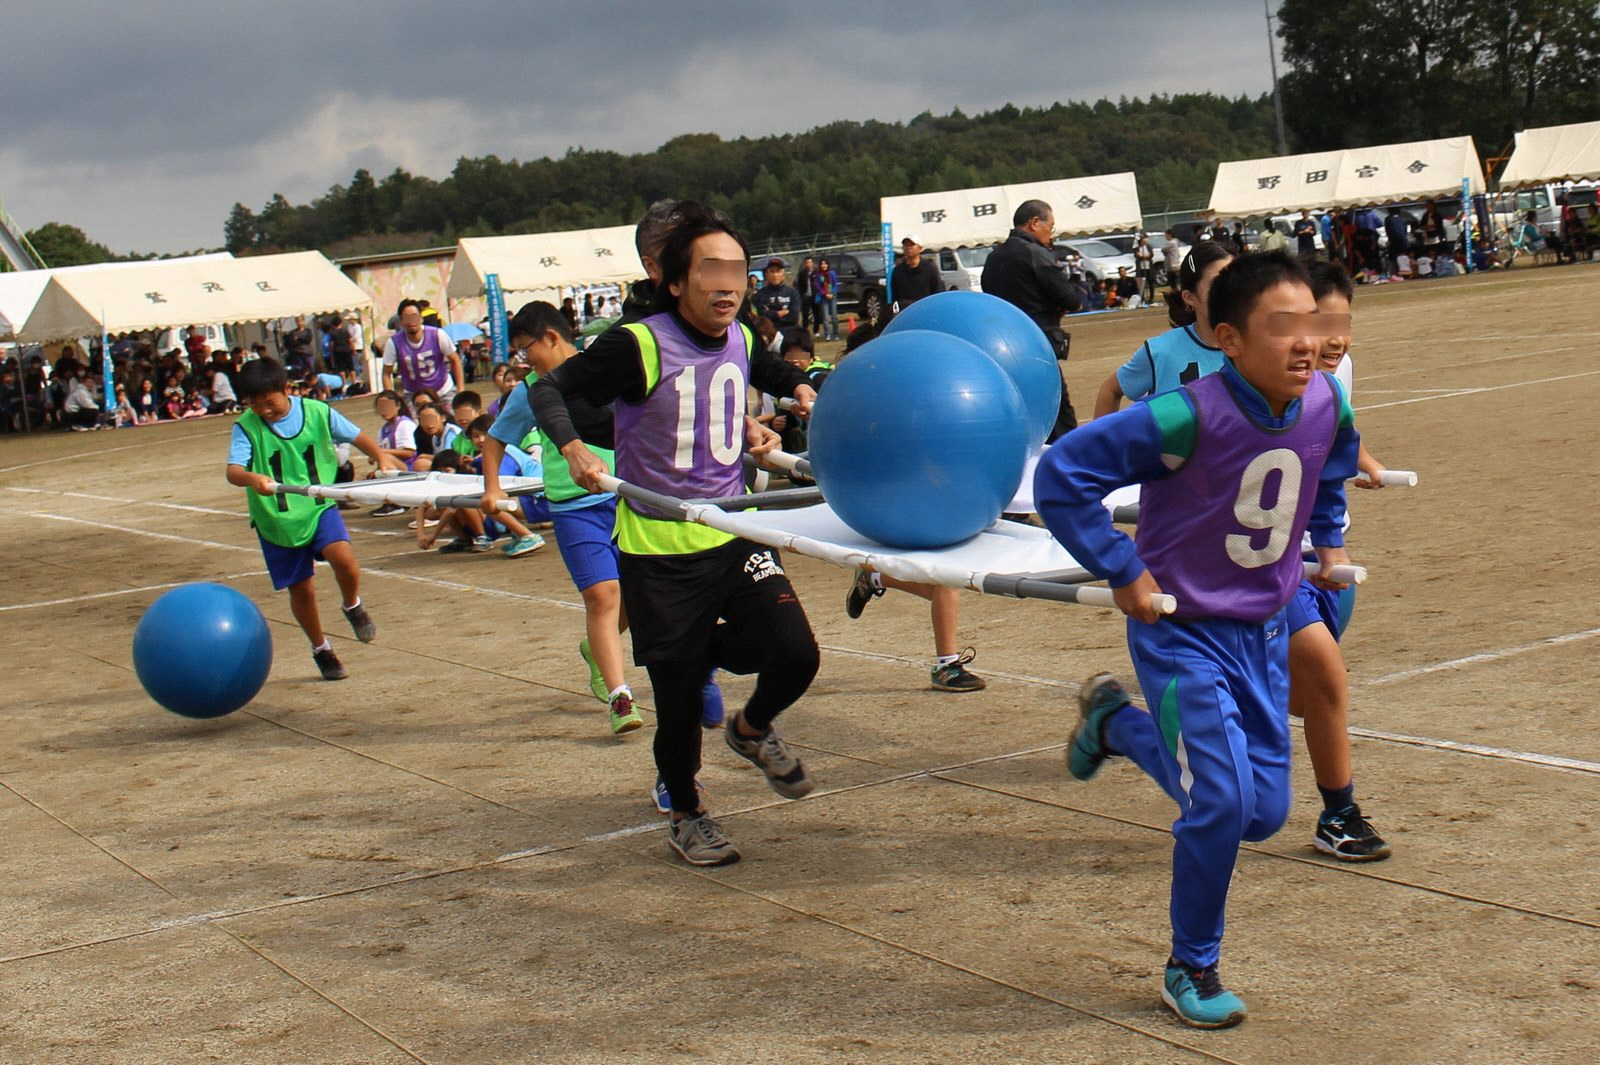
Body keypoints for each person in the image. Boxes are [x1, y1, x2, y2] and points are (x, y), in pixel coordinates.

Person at [1036, 251, 1359, 1029]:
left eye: (1312, 323)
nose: (1306, 342)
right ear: (1228, 339)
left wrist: (1329, 542)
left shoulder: (1324, 402)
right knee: (1218, 805)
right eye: (1282, 327)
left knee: (1261, 815)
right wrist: (1121, 567)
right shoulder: (1186, 413)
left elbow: (1332, 465)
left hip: (1266, 629)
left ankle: (1115, 723)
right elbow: (1063, 476)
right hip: (1182, 633)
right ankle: (1191, 964)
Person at [530, 203, 821, 867]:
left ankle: (750, 729)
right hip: (658, 548)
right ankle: (688, 813)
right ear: (672, 280)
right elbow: (552, 391)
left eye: (736, 273)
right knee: (681, 698)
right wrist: (574, 448)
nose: (726, 286)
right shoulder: (639, 341)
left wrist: (800, 388)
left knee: (794, 652)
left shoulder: (741, 335)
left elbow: (765, 369)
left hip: (731, 530)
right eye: (710, 273)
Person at [483, 300, 642, 735]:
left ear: (551, 337)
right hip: (574, 506)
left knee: (639, 595)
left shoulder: (604, 368)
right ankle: (620, 697)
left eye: (524, 348)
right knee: (603, 596)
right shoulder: (529, 390)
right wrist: (493, 488)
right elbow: (495, 441)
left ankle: (596, 648)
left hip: (628, 496)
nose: (522, 359)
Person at [1290, 261, 1392, 861]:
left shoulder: (1330, 380)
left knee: (1292, 699)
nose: (1335, 337)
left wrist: (1329, 544)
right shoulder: (1216, 393)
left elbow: (1332, 448)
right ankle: (1340, 815)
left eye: (1342, 321)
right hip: (1254, 571)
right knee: (1325, 675)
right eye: (1319, 322)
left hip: (1314, 561)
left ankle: (1119, 724)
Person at [227, 358, 402, 680]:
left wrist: (379, 455)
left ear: (286, 390)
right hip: (276, 519)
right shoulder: (245, 427)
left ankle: (352, 605)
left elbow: (354, 435)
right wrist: (252, 478)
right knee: (302, 589)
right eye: (254, 405)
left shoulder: (317, 412)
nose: (264, 411)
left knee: (344, 558)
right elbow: (233, 471)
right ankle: (321, 647)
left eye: (270, 403)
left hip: (319, 506)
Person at [981, 200, 1085, 438]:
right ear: (1035, 223)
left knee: (1022, 419)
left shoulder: (993, 257)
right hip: (1037, 345)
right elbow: (1071, 298)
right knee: (1060, 421)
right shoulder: (1035, 253)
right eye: (1051, 227)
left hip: (1003, 349)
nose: (1052, 235)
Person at [1093, 242, 1233, 418]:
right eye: (1216, 284)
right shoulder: (1160, 352)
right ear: (1190, 298)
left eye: (1234, 280)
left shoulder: (1257, 346)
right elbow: (1110, 390)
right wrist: (1102, 444)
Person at [382, 299, 464, 403]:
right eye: (406, 317)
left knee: (453, 417)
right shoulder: (394, 342)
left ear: (421, 318)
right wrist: (391, 400)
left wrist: (460, 389)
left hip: (442, 391)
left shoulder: (437, 334)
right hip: (413, 395)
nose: (411, 321)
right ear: (401, 321)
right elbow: (386, 373)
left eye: (414, 316)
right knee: (411, 419)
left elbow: (455, 360)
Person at [889, 233, 942, 310]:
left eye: (911, 245)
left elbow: (937, 292)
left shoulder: (930, 268)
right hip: (905, 313)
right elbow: (895, 297)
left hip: (925, 311)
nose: (908, 248)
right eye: (905, 245)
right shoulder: (898, 270)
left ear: (920, 248)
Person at [752, 257, 801, 330]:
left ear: (783, 275)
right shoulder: (760, 294)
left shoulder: (792, 293)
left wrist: (771, 314)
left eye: (778, 271)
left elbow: (794, 318)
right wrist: (779, 314)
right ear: (766, 275)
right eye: (772, 271)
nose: (775, 275)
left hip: (790, 331)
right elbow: (762, 316)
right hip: (769, 332)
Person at [812, 256, 840, 340]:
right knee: (825, 317)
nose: (824, 266)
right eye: (822, 264)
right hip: (824, 297)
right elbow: (817, 286)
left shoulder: (832, 273)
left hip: (832, 296)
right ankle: (827, 334)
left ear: (828, 265)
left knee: (834, 316)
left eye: (825, 264)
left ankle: (836, 334)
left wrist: (832, 293)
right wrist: (824, 293)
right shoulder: (818, 275)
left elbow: (835, 284)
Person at [796, 256, 815, 334]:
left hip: (815, 296)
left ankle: (816, 331)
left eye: (810, 262)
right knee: (805, 314)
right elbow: (799, 285)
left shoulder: (816, 272)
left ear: (812, 263)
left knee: (817, 314)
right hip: (805, 296)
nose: (808, 264)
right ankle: (805, 330)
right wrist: (801, 295)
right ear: (805, 264)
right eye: (807, 262)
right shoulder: (801, 273)